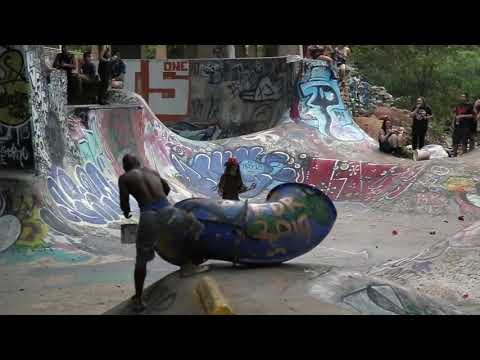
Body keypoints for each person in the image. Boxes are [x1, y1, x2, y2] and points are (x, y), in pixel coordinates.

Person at [118, 154, 206, 312]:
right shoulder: (152, 172)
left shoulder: (124, 178)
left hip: (148, 215)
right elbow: (167, 189)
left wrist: (126, 213)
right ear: (138, 162)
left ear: (125, 167)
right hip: (168, 210)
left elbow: (124, 201)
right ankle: (189, 265)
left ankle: (138, 298)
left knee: (141, 259)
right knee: (196, 227)